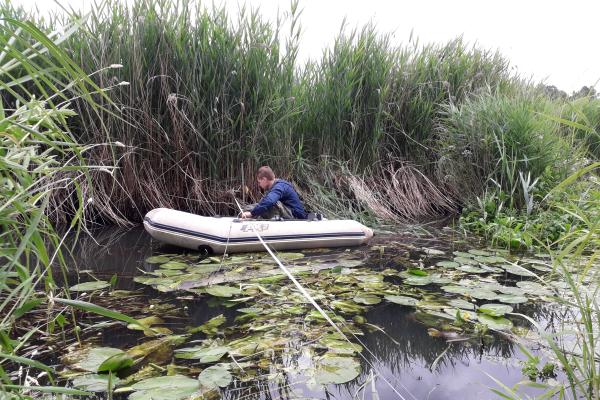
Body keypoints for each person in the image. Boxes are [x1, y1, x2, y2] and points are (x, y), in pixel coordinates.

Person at [240, 166, 308, 220]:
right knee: (252, 206)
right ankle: (247, 215)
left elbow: (270, 201)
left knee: (272, 203)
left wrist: (252, 214)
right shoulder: (274, 187)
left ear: (264, 179)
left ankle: (253, 216)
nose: (259, 185)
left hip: (295, 216)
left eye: (259, 182)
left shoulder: (279, 186)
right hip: (287, 212)